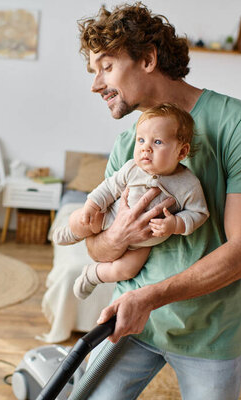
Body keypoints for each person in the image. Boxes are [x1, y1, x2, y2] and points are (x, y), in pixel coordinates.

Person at [72, 2, 241, 399]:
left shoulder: (239, 125)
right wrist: (116, 236)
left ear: (148, 59)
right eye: (93, 72)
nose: (96, 85)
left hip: (211, 333)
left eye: (106, 66)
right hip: (130, 322)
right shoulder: (128, 146)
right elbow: (96, 247)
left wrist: (150, 297)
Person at [52, 103, 209, 300]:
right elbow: (109, 187)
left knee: (127, 270)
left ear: (182, 152)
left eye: (157, 142)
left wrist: (175, 224)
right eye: (141, 140)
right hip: (110, 215)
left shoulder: (188, 184)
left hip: (144, 242)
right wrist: (93, 205)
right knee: (84, 218)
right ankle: (73, 232)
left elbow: (199, 213)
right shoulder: (131, 168)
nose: (146, 149)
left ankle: (92, 275)